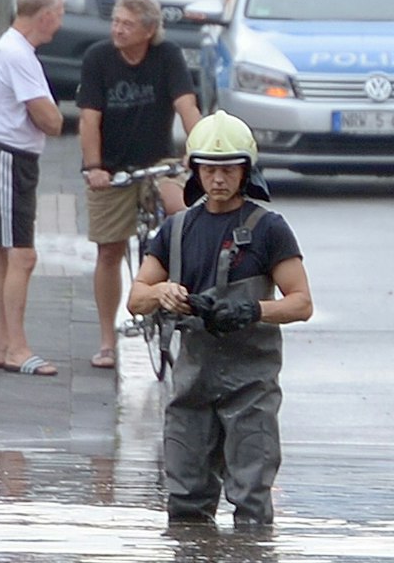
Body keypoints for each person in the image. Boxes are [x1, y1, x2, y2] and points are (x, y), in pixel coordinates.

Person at [127, 113, 312, 527]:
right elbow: (136, 298)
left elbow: (301, 303)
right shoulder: (175, 232)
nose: (218, 180)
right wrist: (162, 292)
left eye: (228, 169)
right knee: (185, 501)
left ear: (246, 170)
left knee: (250, 499)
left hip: (251, 387)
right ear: (195, 171)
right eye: (210, 170)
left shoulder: (269, 230)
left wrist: (252, 310)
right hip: (192, 387)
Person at [78, 0, 203, 370]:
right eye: (115, 21)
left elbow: (187, 107)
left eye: (127, 24)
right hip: (112, 168)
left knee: (184, 216)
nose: (117, 29)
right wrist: (94, 166)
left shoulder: (168, 57)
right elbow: (89, 119)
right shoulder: (98, 58)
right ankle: (106, 340)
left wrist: (197, 150)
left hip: (158, 161)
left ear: (149, 30)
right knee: (109, 249)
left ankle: (187, 302)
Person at [0, 0, 66, 376]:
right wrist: (52, 115)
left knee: (4, 251)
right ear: (45, 16)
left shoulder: (13, 49)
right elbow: (50, 120)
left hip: (8, 157)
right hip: (10, 157)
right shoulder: (18, 54)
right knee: (22, 255)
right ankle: (16, 347)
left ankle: (2, 344)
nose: (59, 25)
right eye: (59, 15)